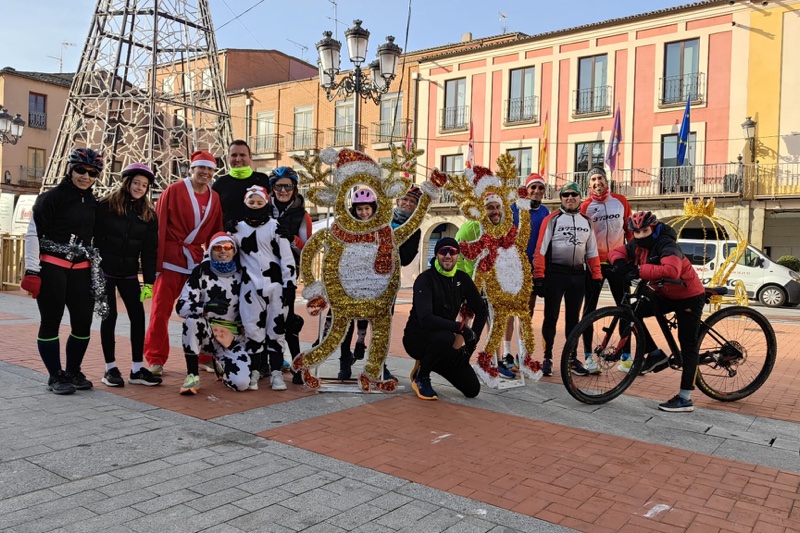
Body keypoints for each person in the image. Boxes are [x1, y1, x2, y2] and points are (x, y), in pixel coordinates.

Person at [21, 147, 105, 394]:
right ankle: (55, 376)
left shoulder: (93, 203)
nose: (85, 177)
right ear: (70, 169)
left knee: (82, 324)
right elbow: (33, 232)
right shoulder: (51, 197)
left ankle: (73, 371)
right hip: (52, 267)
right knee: (51, 322)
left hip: (81, 269)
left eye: (92, 173)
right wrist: (32, 271)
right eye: (80, 170)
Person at [608, 211, 706, 412]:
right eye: (637, 232)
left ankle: (685, 398)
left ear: (654, 228)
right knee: (631, 314)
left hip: (688, 296)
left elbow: (671, 271)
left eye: (645, 230)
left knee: (688, 345)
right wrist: (618, 263)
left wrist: (638, 271)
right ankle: (654, 354)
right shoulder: (637, 244)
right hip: (666, 294)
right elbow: (617, 251)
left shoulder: (667, 244)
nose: (641, 235)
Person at [144, 150, 223, 375]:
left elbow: (216, 231)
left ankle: (204, 355)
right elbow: (158, 227)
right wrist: (156, 265)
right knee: (160, 311)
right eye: (202, 168)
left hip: (196, 261)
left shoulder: (214, 197)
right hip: (170, 259)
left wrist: (216, 263)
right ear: (192, 168)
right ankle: (155, 358)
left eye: (210, 169)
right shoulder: (174, 190)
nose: (205, 173)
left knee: (204, 310)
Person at [94, 162, 162, 387]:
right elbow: (92, 237)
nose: (140, 187)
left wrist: (149, 282)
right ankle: (110, 368)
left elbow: (149, 251)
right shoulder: (105, 206)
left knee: (138, 318)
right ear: (127, 183)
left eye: (144, 185)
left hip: (129, 274)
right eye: (136, 183)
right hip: (104, 272)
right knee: (109, 317)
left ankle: (136, 368)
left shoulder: (148, 214)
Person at [403, 237, 488, 400]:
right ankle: (421, 376)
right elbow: (426, 318)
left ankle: (430, 362)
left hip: (444, 343)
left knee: (472, 389)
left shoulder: (462, 279)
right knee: (445, 337)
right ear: (437, 255)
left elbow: (481, 310)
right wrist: (460, 328)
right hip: (418, 339)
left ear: (458, 256)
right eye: (443, 251)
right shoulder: (425, 279)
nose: (448, 255)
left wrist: (471, 344)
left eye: (452, 252)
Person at [231, 185, 297, 391]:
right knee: (252, 330)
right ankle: (254, 371)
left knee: (276, 330)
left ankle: (276, 373)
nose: (255, 206)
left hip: (276, 288)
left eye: (260, 203)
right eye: (251, 202)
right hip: (249, 288)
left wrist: (290, 284)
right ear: (245, 204)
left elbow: (287, 257)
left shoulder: (275, 226)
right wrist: (226, 234)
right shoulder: (237, 228)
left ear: (266, 204)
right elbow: (222, 251)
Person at [533, 182, 602, 377]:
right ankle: (547, 357)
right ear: (561, 198)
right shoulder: (552, 219)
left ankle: (571, 358)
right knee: (551, 318)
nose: (570, 198)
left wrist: (596, 275)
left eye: (574, 194)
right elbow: (541, 249)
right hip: (556, 275)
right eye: (566, 195)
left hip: (578, 276)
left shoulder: (587, 221)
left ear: (580, 197)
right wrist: (539, 277)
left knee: (574, 320)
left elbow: (592, 251)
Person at [176, 233, 248, 394]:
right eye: (217, 247)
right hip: (207, 332)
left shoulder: (243, 274)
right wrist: (205, 307)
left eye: (228, 247)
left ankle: (222, 365)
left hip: (232, 338)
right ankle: (192, 375)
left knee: (242, 384)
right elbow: (181, 307)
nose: (223, 251)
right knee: (192, 321)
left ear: (234, 251)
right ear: (210, 251)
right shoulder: (201, 271)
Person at [454, 194, 516, 379]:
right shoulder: (468, 229)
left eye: (498, 207)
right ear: (482, 209)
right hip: (471, 283)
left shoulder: (503, 230)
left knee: (495, 322)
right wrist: (461, 283)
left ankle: (494, 362)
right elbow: (457, 256)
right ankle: (453, 360)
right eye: (490, 207)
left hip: (495, 284)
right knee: (465, 321)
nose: (495, 211)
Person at [579, 166, 633, 373]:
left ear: (606, 180)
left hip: (618, 263)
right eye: (593, 179)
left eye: (600, 178)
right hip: (595, 264)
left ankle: (626, 357)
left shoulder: (621, 201)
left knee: (625, 309)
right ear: (589, 183)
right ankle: (588, 358)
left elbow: (630, 231)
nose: (597, 182)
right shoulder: (585, 206)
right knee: (589, 310)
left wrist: (632, 257)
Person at [269, 166, 312, 381]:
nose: (283, 190)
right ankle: (265, 362)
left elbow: (307, 248)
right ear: (272, 188)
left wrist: (292, 239)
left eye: (288, 186)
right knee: (262, 317)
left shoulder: (302, 215)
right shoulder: (262, 206)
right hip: (263, 271)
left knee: (287, 317)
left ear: (294, 188)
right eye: (279, 186)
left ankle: (297, 363)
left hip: (287, 272)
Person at [506, 173, 550, 366]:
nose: (537, 191)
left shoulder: (546, 212)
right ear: (525, 189)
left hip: (533, 270)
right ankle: (507, 352)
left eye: (540, 188)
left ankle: (522, 353)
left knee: (527, 312)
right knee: (508, 311)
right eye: (533, 187)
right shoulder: (513, 208)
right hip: (513, 267)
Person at [335, 189, 378, 379]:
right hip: (348, 277)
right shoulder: (348, 227)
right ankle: (345, 362)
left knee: (363, 315)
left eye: (367, 208)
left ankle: (361, 342)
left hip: (369, 278)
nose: (363, 213)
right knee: (345, 322)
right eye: (360, 209)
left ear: (373, 209)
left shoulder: (379, 228)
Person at [211, 140, 271, 225]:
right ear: (228, 157)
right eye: (234, 155)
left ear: (250, 157)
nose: (238, 159)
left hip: (259, 234)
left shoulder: (263, 179)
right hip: (230, 235)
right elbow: (212, 213)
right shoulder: (220, 183)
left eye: (242, 155)